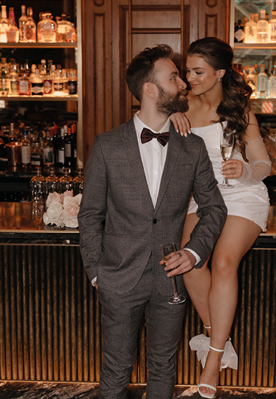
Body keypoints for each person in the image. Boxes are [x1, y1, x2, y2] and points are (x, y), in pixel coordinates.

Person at [78, 44, 227, 399]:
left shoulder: (192, 148)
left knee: (164, 366)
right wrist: (96, 271)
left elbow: (215, 209)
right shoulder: (107, 146)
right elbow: (90, 215)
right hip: (118, 276)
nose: (182, 83)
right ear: (150, 89)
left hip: (170, 280)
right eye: (173, 77)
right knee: (115, 370)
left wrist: (193, 253)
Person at [169, 37, 271, 398]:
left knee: (225, 261)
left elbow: (264, 165)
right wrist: (171, 117)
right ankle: (219, 337)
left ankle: (213, 360)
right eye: (187, 71)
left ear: (220, 73)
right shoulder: (179, 106)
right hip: (203, 198)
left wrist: (244, 170)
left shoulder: (241, 112)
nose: (190, 78)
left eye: (198, 72)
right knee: (189, 261)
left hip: (243, 194)